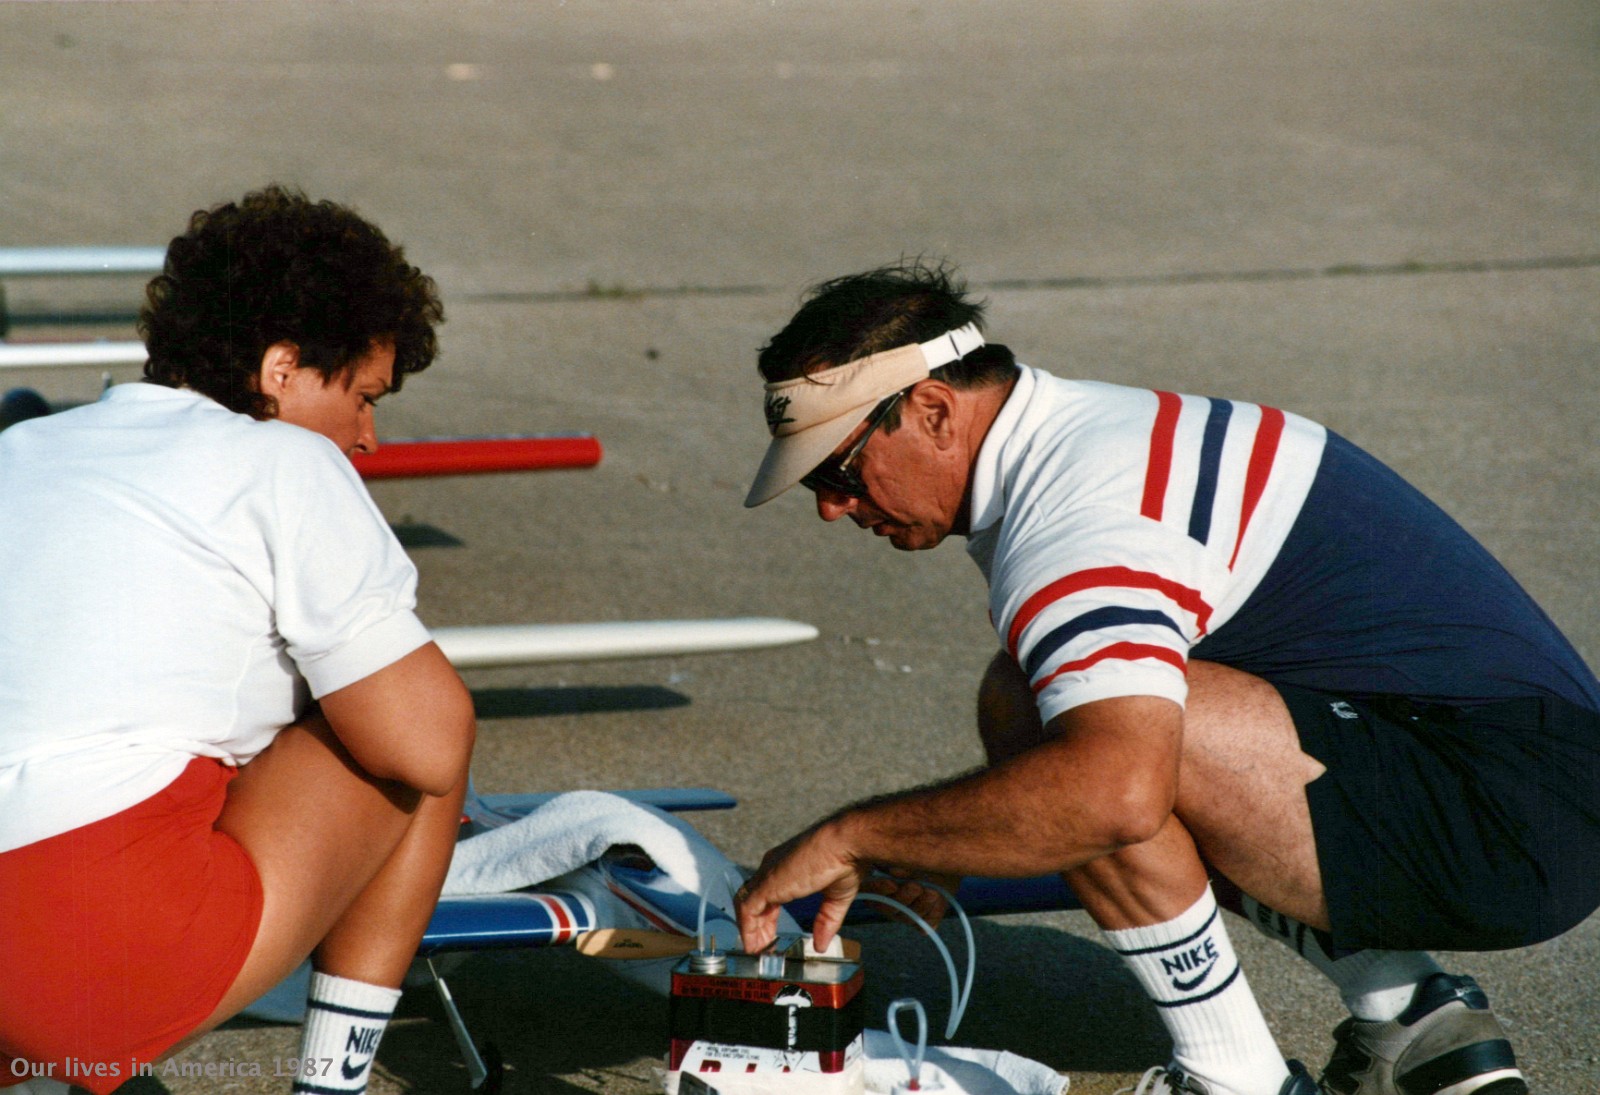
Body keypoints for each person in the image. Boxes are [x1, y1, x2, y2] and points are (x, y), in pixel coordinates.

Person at [733, 260, 1600, 1095]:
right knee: (1046, 699)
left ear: (931, 410)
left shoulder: (1079, 514)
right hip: (1523, 780)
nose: (831, 505)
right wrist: (956, 835)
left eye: (839, 470)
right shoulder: (1084, 430)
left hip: (1514, 823)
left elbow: (1111, 794)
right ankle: (1408, 1011)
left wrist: (854, 835)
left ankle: (1234, 1078)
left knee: (1064, 735)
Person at [0, 186, 476, 1095]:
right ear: (281, 368)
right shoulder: (283, 460)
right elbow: (429, 741)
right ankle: (330, 1087)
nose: (368, 438)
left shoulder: (24, 448)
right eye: (365, 398)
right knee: (416, 727)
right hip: (78, 943)